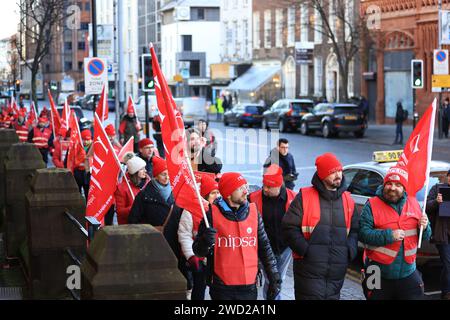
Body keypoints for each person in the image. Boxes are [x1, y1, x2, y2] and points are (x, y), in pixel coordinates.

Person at [282, 153, 359, 300]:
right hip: (308, 272)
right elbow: (288, 227)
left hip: (336, 274)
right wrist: (305, 250)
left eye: (339, 170)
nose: (338, 175)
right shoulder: (304, 197)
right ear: (322, 175)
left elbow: (355, 230)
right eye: (333, 172)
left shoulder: (348, 200)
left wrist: (349, 251)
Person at [193, 172, 281, 300]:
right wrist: (205, 241)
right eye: (240, 188)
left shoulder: (253, 212)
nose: (246, 191)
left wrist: (274, 277)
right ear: (228, 194)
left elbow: (264, 247)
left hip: (249, 285)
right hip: (222, 287)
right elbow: (198, 251)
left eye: (245, 186)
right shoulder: (211, 214)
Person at [359, 166, 431, 300]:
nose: (392, 188)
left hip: (408, 272)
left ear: (404, 188)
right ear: (384, 185)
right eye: (389, 183)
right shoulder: (371, 204)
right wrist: (389, 236)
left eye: (398, 185)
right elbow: (363, 234)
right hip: (376, 272)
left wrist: (425, 227)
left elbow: (426, 236)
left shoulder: (414, 203)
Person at [249, 164, 297, 300]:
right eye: (264, 185)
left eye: (269, 187)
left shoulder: (293, 198)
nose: (265, 189)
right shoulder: (253, 198)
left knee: (277, 279)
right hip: (264, 248)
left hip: (284, 249)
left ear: (279, 185)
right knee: (272, 279)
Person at [178, 175, 220, 300]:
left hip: (216, 260)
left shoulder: (220, 209)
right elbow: (184, 235)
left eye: (218, 192)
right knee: (199, 290)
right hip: (199, 260)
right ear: (205, 194)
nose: (217, 196)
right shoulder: (190, 210)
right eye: (213, 193)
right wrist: (192, 256)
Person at [128, 156, 175, 226]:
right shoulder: (143, 195)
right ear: (156, 176)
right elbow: (133, 221)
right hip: (153, 235)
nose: (167, 177)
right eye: (163, 174)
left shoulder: (176, 191)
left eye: (169, 174)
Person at [426, 169, 450, 300]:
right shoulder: (438, 188)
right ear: (447, 177)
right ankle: (446, 293)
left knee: (448, 266)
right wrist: (436, 201)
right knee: (448, 263)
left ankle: (445, 289)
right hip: (442, 234)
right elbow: (427, 206)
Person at [114, 156, 151, 225]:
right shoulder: (122, 188)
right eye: (142, 169)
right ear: (135, 172)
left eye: (144, 168)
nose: (145, 171)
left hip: (146, 225)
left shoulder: (148, 183)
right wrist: (136, 207)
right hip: (130, 227)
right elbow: (120, 212)